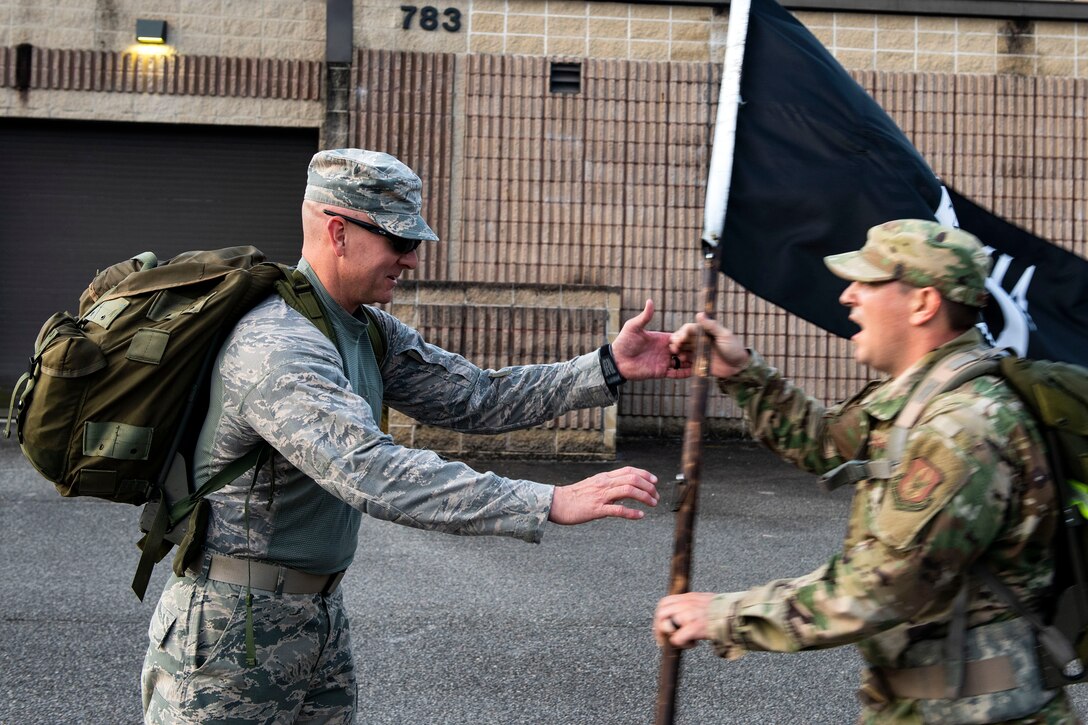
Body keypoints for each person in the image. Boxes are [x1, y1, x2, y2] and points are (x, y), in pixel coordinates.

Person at [141, 148, 690, 723]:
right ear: (339, 231)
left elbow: (476, 396)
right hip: (234, 630)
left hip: (318, 618)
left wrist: (607, 367)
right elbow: (372, 471)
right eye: (399, 243)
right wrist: (547, 500)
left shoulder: (364, 329)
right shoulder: (278, 347)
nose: (411, 260)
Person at [655, 219, 1076, 723]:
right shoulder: (926, 396)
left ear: (924, 303)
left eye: (868, 282)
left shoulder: (961, 428)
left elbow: (879, 587)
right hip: (929, 704)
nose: (847, 297)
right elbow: (827, 441)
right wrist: (742, 371)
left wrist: (724, 615)